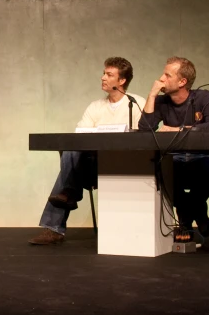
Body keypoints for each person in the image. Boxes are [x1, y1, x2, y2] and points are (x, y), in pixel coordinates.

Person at [29, 57, 146, 245]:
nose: (103, 78)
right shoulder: (95, 106)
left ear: (122, 81)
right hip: (91, 166)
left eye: (109, 75)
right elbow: (81, 135)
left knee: (66, 177)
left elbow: (141, 138)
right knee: (71, 147)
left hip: (124, 164)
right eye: (104, 73)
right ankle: (68, 192)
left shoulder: (136, 103)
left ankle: (60, 213)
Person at [138, 56, 209, 240]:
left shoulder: (203, 97)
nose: (161, 78)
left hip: (203, 156)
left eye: (167, 75)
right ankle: (199, 212)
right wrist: (152, 95)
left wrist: (179, 130)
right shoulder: (161, 101)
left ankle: (184, 221)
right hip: (175, 156)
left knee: (207, 169)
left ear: (182, 81)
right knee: (161, 170)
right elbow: (145, 129)